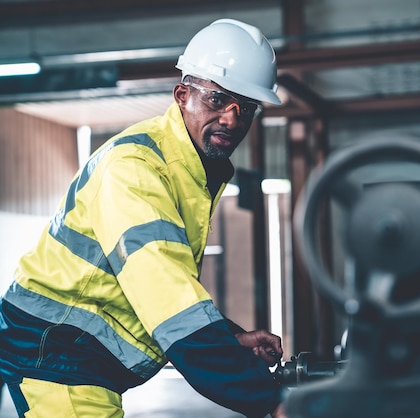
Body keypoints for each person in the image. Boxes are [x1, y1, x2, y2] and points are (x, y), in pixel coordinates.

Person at [0, 18, 287, 418]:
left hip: (78, 357)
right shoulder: (135, 168)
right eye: (217, 100)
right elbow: (168, 301)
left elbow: (167, 282)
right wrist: (270, 403)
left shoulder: (191, 172)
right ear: (182, 95)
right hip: (56, 356)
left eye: (247, 108)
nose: (232, 119)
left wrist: (231, 336)